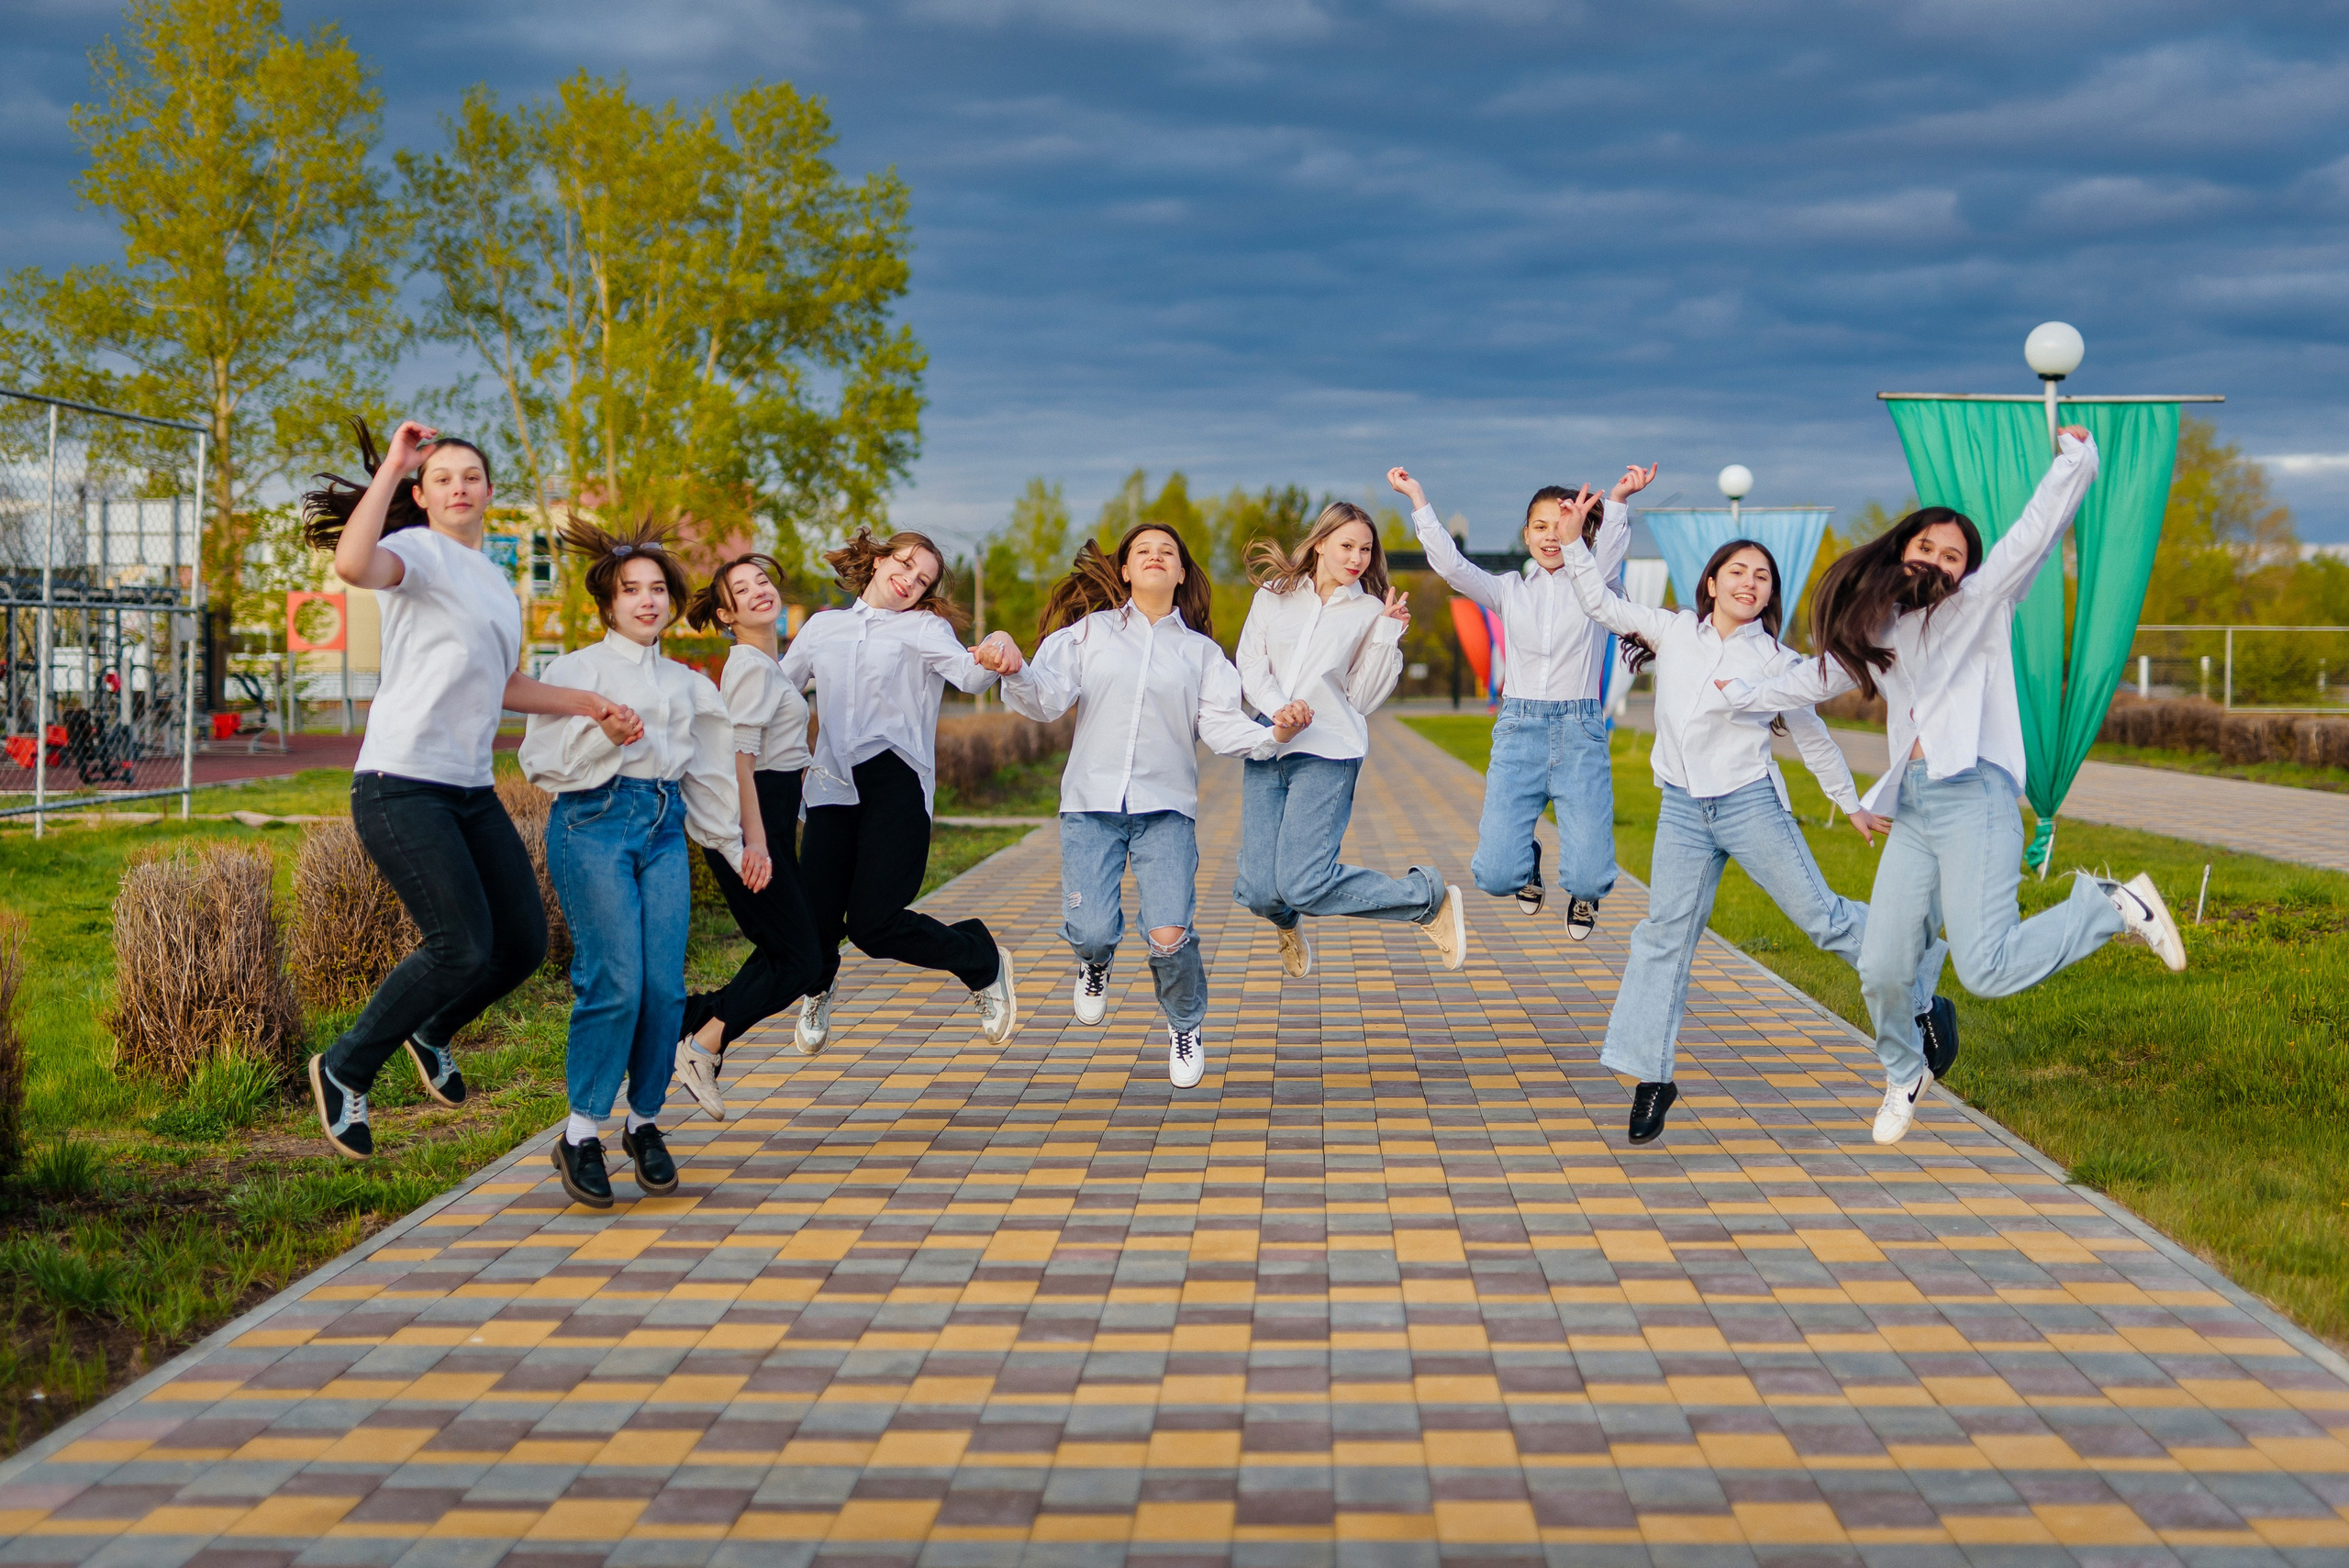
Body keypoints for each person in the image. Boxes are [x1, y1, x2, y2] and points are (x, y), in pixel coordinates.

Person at [1717, 428, 2186, 1146]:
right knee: (1879, 966)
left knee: (1987, 965)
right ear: (1901, 549)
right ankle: (1904, 1070)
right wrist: (1737, 686)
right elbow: (1812, 679)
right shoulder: (1880, 629)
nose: (1937, 560)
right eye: (1927, 548)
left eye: (1953, 555)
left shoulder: (1980, 605)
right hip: (1915, 806)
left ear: (1968, 571)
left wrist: (2075, 464)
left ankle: (2112, 904)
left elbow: (2031, 536)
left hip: (1977, 799)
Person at [299, 419, 641, 1162]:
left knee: (519, 943)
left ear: (489, 492)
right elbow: (354, 565)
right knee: (458, 944)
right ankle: (344, 1065)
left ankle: (430, 1030)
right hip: (401, 783)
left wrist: (587, 703)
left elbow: (504, 683)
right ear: (422, 496)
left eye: (472, 476)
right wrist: (394, 462)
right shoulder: (416, 555)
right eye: (443, 477)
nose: (459, 486)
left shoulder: (493, 581)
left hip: (468, 789)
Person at [1558, 524, 1953, 1145]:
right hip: (1683, 811)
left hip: (1749, 805)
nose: (1749, 581)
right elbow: (1600, 603)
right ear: (1711, 582)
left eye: (1762, 576)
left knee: (1822, 918)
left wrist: (1848, 802)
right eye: (1738, 570)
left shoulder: (1774, 661)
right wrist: (1575, 543)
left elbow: (1813, 734)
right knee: (1663, 936)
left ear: (1769, 597)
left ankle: (1923, 982)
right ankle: (1652, 1078)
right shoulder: (1673, 630)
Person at [982, 524, 1312, 1087]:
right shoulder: (1088, 635)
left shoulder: (1202, 654)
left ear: (1181, 573)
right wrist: (1013, 666)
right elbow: (1044, 697)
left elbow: (1222, 726)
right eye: (1143, 551)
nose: (1156, 557)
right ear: (1126, 571)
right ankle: (1093, 961)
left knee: (1169, 935)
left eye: (1169, 552)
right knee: (1091, 931)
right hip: (1090, 805)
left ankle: (1185, 1023)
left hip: (1167, 811)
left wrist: (1273, 734)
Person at [520, 517, 756, 1208]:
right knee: (615, 981)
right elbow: (540, 765)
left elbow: (709, 777)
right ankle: (581, 1131)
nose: (647, 600)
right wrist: (606, 738)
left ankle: (644, 1121)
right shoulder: (575, 670)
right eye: (632, 590)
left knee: (664, 989)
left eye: (658, 589)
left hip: (662, 828)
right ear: (609, 601)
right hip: (592, 823)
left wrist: (735, 848)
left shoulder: (690, 685)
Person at [1392, 462, 1658, 942]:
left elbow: (1610, 552)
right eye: (1541, 527)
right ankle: (1528, 864)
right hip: (1519, 731)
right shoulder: (1507, 589)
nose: (1551, 537)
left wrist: (1618, 499)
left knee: (1591, 876)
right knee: (1495, 875)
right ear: (1526, 534)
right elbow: (1452, 566)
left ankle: (1583, 893)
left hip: (1580, 732)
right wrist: (1418, 500)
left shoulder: (1596, 585)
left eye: (1562, 526)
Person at [781, 527, 1019, 1053]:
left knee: (873, 924)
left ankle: (980, 958)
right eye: (906, 564)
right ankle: (817, 989)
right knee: (816, 917)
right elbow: (779, 690)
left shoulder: (925, 629)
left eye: (924, 577)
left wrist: (994, 653)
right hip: (830, 789)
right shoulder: (823, 627)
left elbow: (969, 675)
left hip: (897, 786)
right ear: (878, 559)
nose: (911, 579)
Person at [1231, 501, 1468, 978]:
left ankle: (1426, 898)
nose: (1356, 558)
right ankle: (1286, 921)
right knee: (1260, 891)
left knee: (1303, 882)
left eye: (1365, 549)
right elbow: (1249, 663)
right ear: (1320, 544)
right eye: (1346, 546)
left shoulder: (1367, 610)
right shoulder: (1273, 595)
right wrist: (1281, 708)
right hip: (1268, 745)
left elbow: (1361, 698)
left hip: (1328, 752)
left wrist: (1386, 637)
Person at [672, 553, 822, 1118]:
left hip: (767, 824)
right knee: (802, 960)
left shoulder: (766, 664)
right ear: (726, 613)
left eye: (763, 581)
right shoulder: (751, 668)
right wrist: (754, 843)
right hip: (747, 829)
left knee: (795, 952)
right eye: (741, 589)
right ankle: (701, 1045)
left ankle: (680, 1022)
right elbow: (740, 760)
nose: (759, 590)